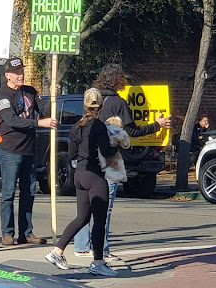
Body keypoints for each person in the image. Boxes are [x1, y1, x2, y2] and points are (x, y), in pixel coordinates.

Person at [73, 63, 171, 259]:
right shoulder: (118, 103)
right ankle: (102, 249)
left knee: (86, 208)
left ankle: (82, 245)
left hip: (86, 161)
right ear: (118, 80)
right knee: (105, 207)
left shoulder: (93, 100)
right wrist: (156, 125)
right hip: (109, 160)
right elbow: (131, 131)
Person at [45, 88, 119, 276]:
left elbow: (71, 154)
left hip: (79, 175)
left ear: (84, 105)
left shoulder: (76, 126)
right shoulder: (99, 126)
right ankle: (98, 263)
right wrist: (116, 142)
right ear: (100, 107)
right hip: (94, 176)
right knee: (99, 222)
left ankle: (57, 251)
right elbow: (107, 152)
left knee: (82, 218)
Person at [0, 57, 57, 246]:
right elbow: (11, 120)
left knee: (29, 192)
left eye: (22, 71)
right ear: (8, 75)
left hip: (30, 149)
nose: (20, 75)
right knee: (8, 192)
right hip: (11, 149)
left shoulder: (30, 91)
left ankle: (26, 233)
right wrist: (38, 123)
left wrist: (52, 97)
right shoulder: (2, 94)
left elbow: (44, 110)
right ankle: (7, 233)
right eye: (16, 72)